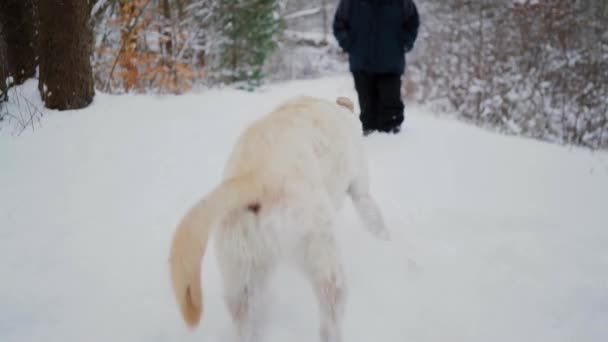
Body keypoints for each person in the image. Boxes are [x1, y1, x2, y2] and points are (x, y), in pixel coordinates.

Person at [333, 0, 420, 135]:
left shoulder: (403, 2)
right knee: (367, 106)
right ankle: (369, 136)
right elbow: (339, 24)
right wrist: (349, 44)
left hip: (391, 62)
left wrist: (404, 43)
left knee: (390, 106)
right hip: (361, 62)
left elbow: (412, 22)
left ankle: (393, 137)